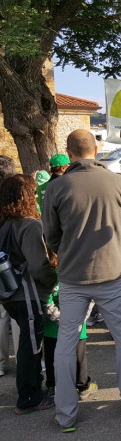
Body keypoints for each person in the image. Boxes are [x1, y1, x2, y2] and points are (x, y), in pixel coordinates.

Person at [42, 129, 121, 431]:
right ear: (96, 150)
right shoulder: (119, 182)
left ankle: (65, 413)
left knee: (66, 341)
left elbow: (51, 237)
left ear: (69, 152)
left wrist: (70, 250)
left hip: (73, 276)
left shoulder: (57, 187)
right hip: (111, 271)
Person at [0, 174, 57, 414]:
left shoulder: (4, 224)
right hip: (28, 295)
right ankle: (29, 397)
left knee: (26, 342)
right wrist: (54, 281)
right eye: (32, 193)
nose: (35, 197)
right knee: (30, 346)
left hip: (9, 294)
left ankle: (30, 390)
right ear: (24, 197)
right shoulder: (29, 224)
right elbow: (38, 266)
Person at [0, 154, 16, 379]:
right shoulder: (14, 194)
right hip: (13, 262)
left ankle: (1, 363)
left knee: (2, 315)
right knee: (21, 313)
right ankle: (28, 360)